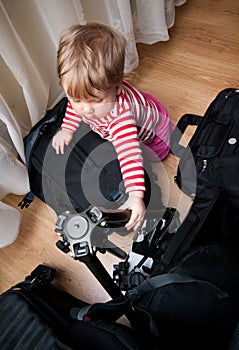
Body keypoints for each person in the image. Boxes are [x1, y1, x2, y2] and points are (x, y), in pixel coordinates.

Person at [52, 22, 174, 232]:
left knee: (153, 157)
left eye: (95, 101)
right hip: (142, 106)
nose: (85, 110)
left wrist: (136, 195)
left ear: (117, 87)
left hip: (156, 134)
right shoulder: (86, 102)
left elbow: (129, 154)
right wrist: (67, 129)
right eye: (76, 98)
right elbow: (74, 109)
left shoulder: (121, 119)